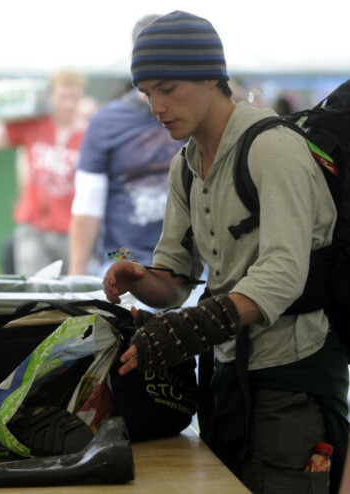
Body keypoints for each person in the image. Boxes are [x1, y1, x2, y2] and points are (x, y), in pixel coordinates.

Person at [102, 11, 349, 493]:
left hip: (293, 376)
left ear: (211, 75)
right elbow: (174, 281)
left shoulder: (272, 148)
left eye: (167, 87)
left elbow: (282, 275)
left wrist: (188, 329)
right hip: (225, 378)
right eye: (147, 91)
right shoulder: (187, 164)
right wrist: (142, 279)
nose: (156, 105)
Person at [68, 14, 184, 277]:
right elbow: (87, 204)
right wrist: (75, 277)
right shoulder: (106, 121)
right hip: (123, 256)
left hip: (187, 264)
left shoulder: (197, 114)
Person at [0, 70, 88, 277]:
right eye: (63, 97)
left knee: (74, 295)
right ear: (51, 97)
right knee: (36, 291)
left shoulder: (89, 132)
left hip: (73, 230)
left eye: (74, 98)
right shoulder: (35, 124)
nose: (69, 104)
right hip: (32, 229)